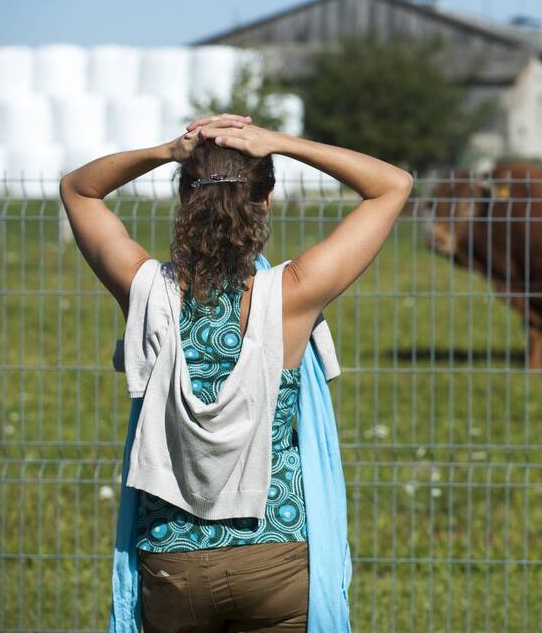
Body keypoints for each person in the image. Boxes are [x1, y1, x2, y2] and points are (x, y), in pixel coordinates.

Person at [60, 112, 413, 631]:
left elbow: (78, 190)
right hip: (278, 555)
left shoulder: (146, 292)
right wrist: (278, 143)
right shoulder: (292, 295)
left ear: (184, 200)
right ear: (264, 201)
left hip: (171, 558)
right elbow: (392, 186)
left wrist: (167, 151)